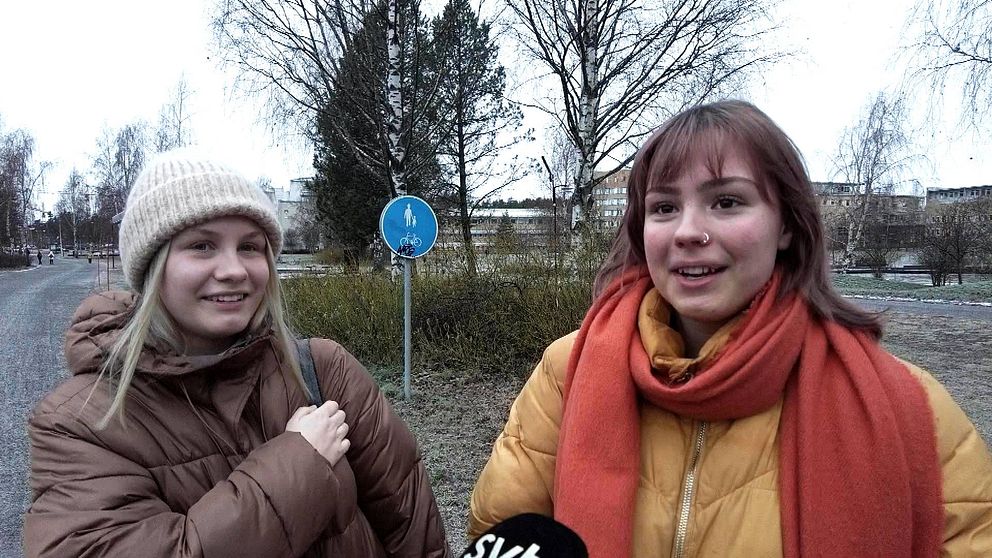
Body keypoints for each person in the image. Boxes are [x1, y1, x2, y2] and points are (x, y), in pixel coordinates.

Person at [468, 100, 992, 557]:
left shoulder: (909, 409)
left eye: (726, 202)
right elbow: (499, 530)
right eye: (665, 207)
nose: (689, 231)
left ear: (786, 225)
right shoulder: (569, 370)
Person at [23, 149, 451, 557]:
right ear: (153, 266)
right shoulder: (79, 423)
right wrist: (299, 464)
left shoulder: (323, 372)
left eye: (250, 246)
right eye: (202, 246)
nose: (233, 270)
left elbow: (415, 532)